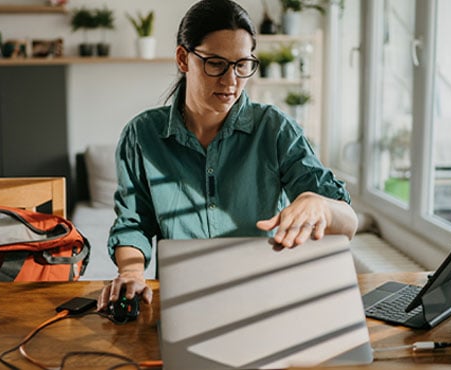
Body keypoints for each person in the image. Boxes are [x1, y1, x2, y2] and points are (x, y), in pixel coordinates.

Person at [96, 0, 359, 311]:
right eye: (216, 63)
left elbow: (349, 223)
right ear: (183, 58)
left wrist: (321, 206)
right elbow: (134, 223)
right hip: (183, 301)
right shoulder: (141, 135)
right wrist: (130, 272)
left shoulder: (275, 129)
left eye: (242, 64)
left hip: (267, 298)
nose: (231, 80)